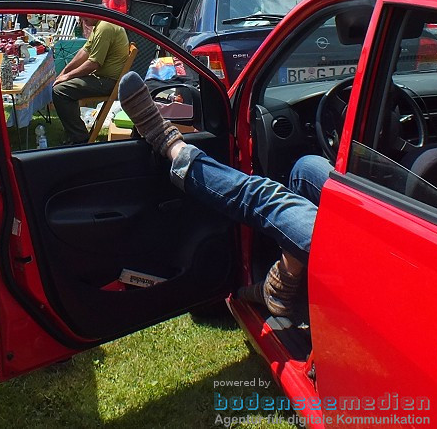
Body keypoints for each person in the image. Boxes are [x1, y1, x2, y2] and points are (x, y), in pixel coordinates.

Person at [118, 70, 328, 318]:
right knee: (306, 169)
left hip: (380, 248)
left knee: (265, 198)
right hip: (382, 203)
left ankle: (169, 143)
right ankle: (281, 286)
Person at [52, 0, 132, 145]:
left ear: (95, 9)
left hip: (109, 82)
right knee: (62, 85)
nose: (82, 17)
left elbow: (93, 64)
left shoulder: (105, 27)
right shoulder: (100, 24)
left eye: (85, 13)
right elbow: (84, 52)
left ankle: (79, 138)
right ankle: (77, 133)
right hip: (104, 78)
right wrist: (64, 72)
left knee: (60, 91)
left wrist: (67, 77)